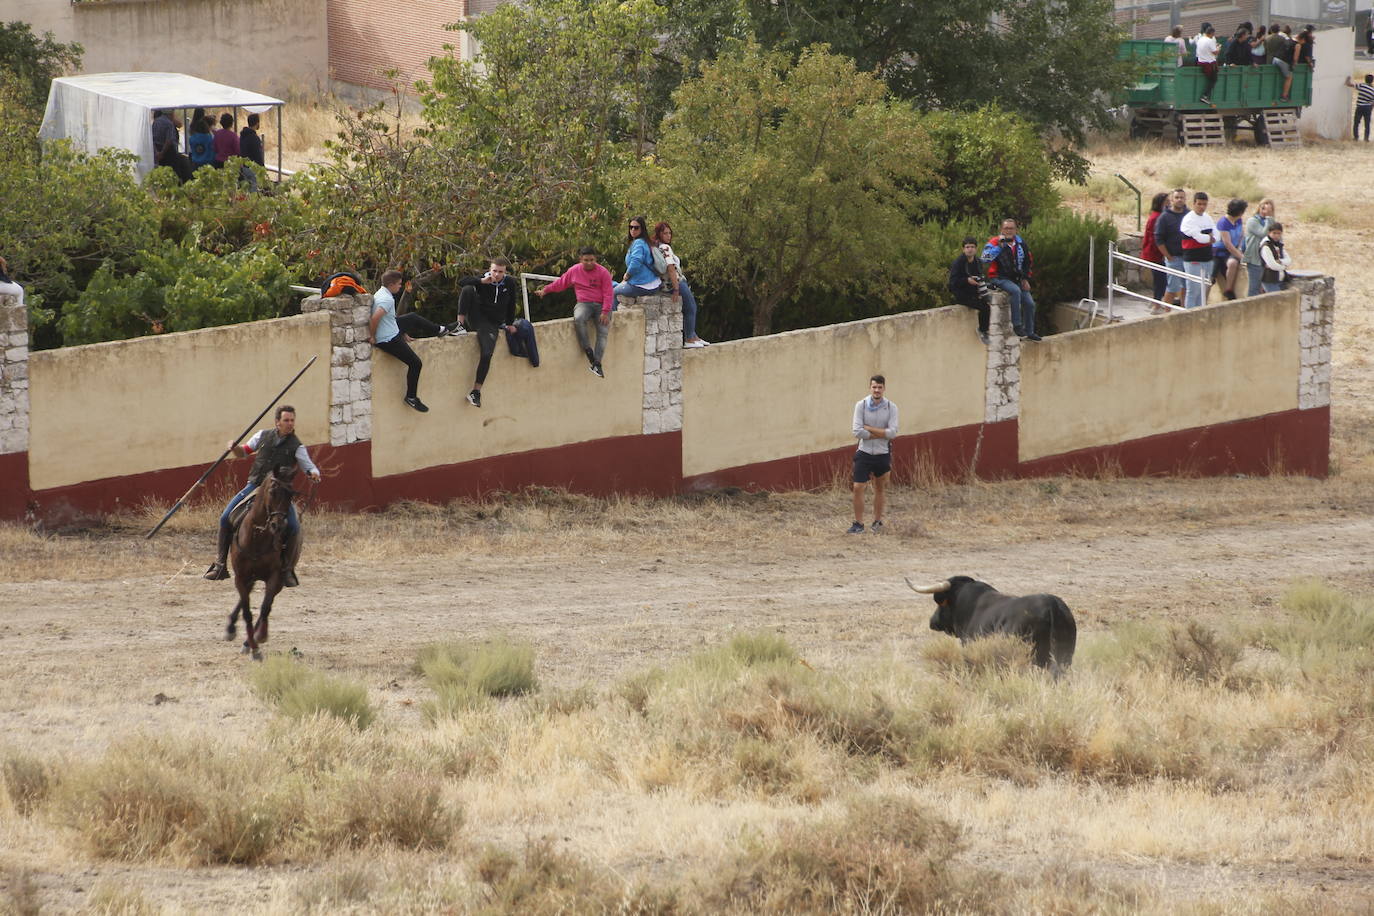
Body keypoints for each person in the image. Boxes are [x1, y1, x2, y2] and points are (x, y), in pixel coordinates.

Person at [204, 405, 320, 587]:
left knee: (295, 526)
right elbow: (244, 452)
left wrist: (314, 473)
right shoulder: (262, 436)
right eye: (286, 420)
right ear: (277, 422)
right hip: (255, 486)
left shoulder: (297, 447)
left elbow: (309, 466)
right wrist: (233, 447)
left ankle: (287, 570)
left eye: (292, 420)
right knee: (225, 517)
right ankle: (220, 566)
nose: (290, 424)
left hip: (278, 492)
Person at [371, 270, 460, 413]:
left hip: (390, 331)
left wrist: (402, 331)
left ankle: (440, 330)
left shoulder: (381, 293)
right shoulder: (386, 300)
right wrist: (373, 336)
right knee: (416, 363)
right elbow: (375, 318)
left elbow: (389, 319)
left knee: (412, 317)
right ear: (391, 284)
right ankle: (411, 397)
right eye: (399, 284)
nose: (400, 287)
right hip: (387, 339)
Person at [537, 247, 615, 377]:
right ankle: (587, 349)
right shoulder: (574, 270)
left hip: (601, 305)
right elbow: (561, 283)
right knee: (578, 318)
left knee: (602, 333)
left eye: (592, 260)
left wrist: (605, 311)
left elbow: (608, 293)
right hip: (584, 303)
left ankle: (597, 363)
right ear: (581, 259)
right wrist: (546, 290)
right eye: (586, 260)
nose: (589, 263)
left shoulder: (603, 272)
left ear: (595, 259)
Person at [457, 257, 518, 408]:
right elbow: (462, 282)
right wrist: (481, 282)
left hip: (492, 323)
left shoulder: (509, 283)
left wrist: (510, 323)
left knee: (486, 353)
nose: (497, 274)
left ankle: (476, 392)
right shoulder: (484, 279)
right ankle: (459, 325)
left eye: (500, 272)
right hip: (478, 317)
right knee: (468, 288)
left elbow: (511, 303)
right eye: (494, 271)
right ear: (490, 270)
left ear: (505, 272)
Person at [848, 375, 898, 535]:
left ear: (884, 388)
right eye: (874, 387)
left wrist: (869, 428)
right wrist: (882, 433)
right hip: (864, 452)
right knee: (857, 487)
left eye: (880, 387)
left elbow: (893, 433)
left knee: (880, 488)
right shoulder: (861, 405)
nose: (877, 390)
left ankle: (877, 522)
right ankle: (858, 524)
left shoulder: (891, 407)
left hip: (882, 453)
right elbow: (857, 431)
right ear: (870, 388)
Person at [652, 222, 709, 348]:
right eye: (665, 233)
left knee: (689, 307)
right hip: (675, 283)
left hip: (666, 284)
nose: (668, 236)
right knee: (691, 307)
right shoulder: (665, 248)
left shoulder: (656, 248)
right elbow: (671, 268)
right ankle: (689, 338)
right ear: (659, 234)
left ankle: (694, 336)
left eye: (669, 233)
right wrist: (676, 288)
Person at [982, 218, 1041, 341]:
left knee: (1030, 303)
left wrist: (1025, 279)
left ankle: (1030, 331)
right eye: (1006, 228)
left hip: (1017, 279)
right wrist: (999, 247)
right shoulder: (994, 242)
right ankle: (1017, 324)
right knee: (1015, 291)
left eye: (1011, 228)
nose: (1009, 231)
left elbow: (1027, 262)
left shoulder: (1020, 243)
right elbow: (984, 258)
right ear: (1001, 229)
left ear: (1016, 230)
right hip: (998, 277)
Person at [948, 236, 990, 344]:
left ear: (976, 249)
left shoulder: (978, 262)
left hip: (974, 292)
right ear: (963, 249)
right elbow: (952, 283)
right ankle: (983, 331)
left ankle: (984, 330)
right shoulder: (958, 263)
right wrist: (967, 280)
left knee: (988, 302)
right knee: (984, 308)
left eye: (972, 247)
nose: (970, 249)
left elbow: (980, 276)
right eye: (967, 247)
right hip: (961, 294)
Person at [1179, 191, 1216, 310]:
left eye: (1204, 204)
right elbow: (1200, 238)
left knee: (1203, 290)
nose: (1202, 207)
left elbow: (1216, 234)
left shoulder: (1207, 218)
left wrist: (1209, 237)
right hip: (1193, 259)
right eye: (1199, 204)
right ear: (1194, 203)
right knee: (1193, 290)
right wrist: (1209, 237)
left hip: (1207, 258)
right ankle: (1189, 315)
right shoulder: (1188, 219)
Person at [612, 216, 663, 300]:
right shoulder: (644, 241)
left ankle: (612, 313)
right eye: (631, 227)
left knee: (613, 293)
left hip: (643, 285)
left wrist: (627, 275)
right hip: (651, 283)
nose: (633, 230)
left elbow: (636, 262)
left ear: (642, 229)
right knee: (612, 284)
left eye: (636, 228)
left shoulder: (639, 243)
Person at [1154, 187, 1188, 310]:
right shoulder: (1164, 217)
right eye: (1177, 197)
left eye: (1182, 198)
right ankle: (1166, 314)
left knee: (1186, 287)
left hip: (1187, 257)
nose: (1179, 200)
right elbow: (1158, 239)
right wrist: (1168, 256)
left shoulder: (1189, 215)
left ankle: (1185, 312)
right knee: (1172, 288)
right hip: (1173, 258)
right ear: (1172, 200)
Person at [1212, 198, 1247, 301]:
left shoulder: (1238, 220)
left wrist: (1239, 249)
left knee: (1232, 264)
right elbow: (1227, 243)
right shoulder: (1223, 223)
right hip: (1218, 252)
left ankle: (1228, 290)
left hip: (1233, 250)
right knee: (1211, 277)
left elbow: (1241, 235)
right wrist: (1241, 256)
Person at [150, 109, 192, 183]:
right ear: (171, 114)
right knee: (173, 173)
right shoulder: (169, 123)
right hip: (168, 151)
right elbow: (169, 141)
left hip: (157, 149)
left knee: (161, 173)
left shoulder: (156, 122)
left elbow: (152, 138)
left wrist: (157, 152)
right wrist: (162, 152)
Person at [1243, 198, 1275, 297]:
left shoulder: (1271, 222)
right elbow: (1263, 233)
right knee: (1254, 289)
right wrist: (1269, 219)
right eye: (1263, 208)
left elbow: (1277, 237)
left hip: (1267, 260)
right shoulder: (1252, 221)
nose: (1265, 211)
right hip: (1255, 259)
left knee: (1267, 289)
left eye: (1269, 209)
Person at [1142, 192, 1169, 304]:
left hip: (1157, 253)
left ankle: (1158, 300)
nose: (1169, 203)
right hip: (1155, 254)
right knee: (1160, 279)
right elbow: (1153, 238)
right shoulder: (1156, 218)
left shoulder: (1159, 216)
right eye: (1167, 201)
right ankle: (1157, 301)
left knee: (1161, 279)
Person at [1259, 222, 1291, 293]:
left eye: (1278, 233)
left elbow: (1289, 260)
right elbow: (1272, 265)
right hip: (1270, 280)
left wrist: (1280, 261)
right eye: (1274, 233)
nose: (1276, 236)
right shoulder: (1266, 246)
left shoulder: (1279, 244)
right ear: (1269, 233)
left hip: (1280, 279)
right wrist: (1284, 267)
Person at [1193, 23, 1219, 105]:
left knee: (1209, 79)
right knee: (1213, 79)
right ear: (1211, 33)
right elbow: (1215, 52)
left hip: (1200, 62)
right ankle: (1204, 96)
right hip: (1209, 63)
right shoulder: (1210, 40)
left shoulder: (1200, 39)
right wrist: (1219, 48)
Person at [1348, 74, 1374, 141]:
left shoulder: (1361, 85)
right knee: (1367, 124)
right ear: (1372, 81)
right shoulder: (1372, 90)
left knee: (1356, 123)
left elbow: (1350, 84)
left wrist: (1348, 79)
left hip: (1359, 106)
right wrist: (1371, 108)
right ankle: (1366, 139)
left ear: (1365, 79)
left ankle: (1356, 137)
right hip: (1368, 108)